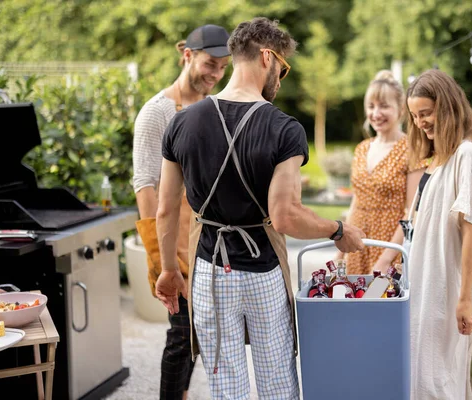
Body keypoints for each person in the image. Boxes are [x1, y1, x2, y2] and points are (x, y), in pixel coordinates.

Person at [155, 17, 365, 400]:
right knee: (277, 382)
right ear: (267, 58)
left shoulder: (181, 123)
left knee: (226, 386)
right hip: (263, 271)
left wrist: (170, 270)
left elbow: (165, 210)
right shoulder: (284, 128)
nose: (281, 80)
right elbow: (286, 216)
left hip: (209, 271)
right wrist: (338, 229)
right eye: (282, 68)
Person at [132, 24, 230, 400]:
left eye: (223, 67)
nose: (217, 75)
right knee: (181, 334)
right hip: (175, 242)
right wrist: (162, 260)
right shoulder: (157, 113)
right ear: (187, 55)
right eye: (210, 64)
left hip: (209, 242)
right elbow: (145, 187)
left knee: (198, 332)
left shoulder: (212, 109)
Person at [406, 69, 472, 399]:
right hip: (421, 285)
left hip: (445, 287)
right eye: (415, 116)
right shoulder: (435, 159)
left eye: (426, 112)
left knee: (439, 378)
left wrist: (465, 298)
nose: (421, 122)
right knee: (421, 372)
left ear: (448, 106)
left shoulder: (466, 155)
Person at [341, 70, 426, 276]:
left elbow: (411, 211)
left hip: (390, 246)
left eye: (384, 106)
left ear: (401, 110)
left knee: (383, 304)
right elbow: (356, 200)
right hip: (357, 244)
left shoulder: (411, 148)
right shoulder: (362, 148)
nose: (376, 113)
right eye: (371, 106)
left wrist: (386, 259)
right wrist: (342, 250)